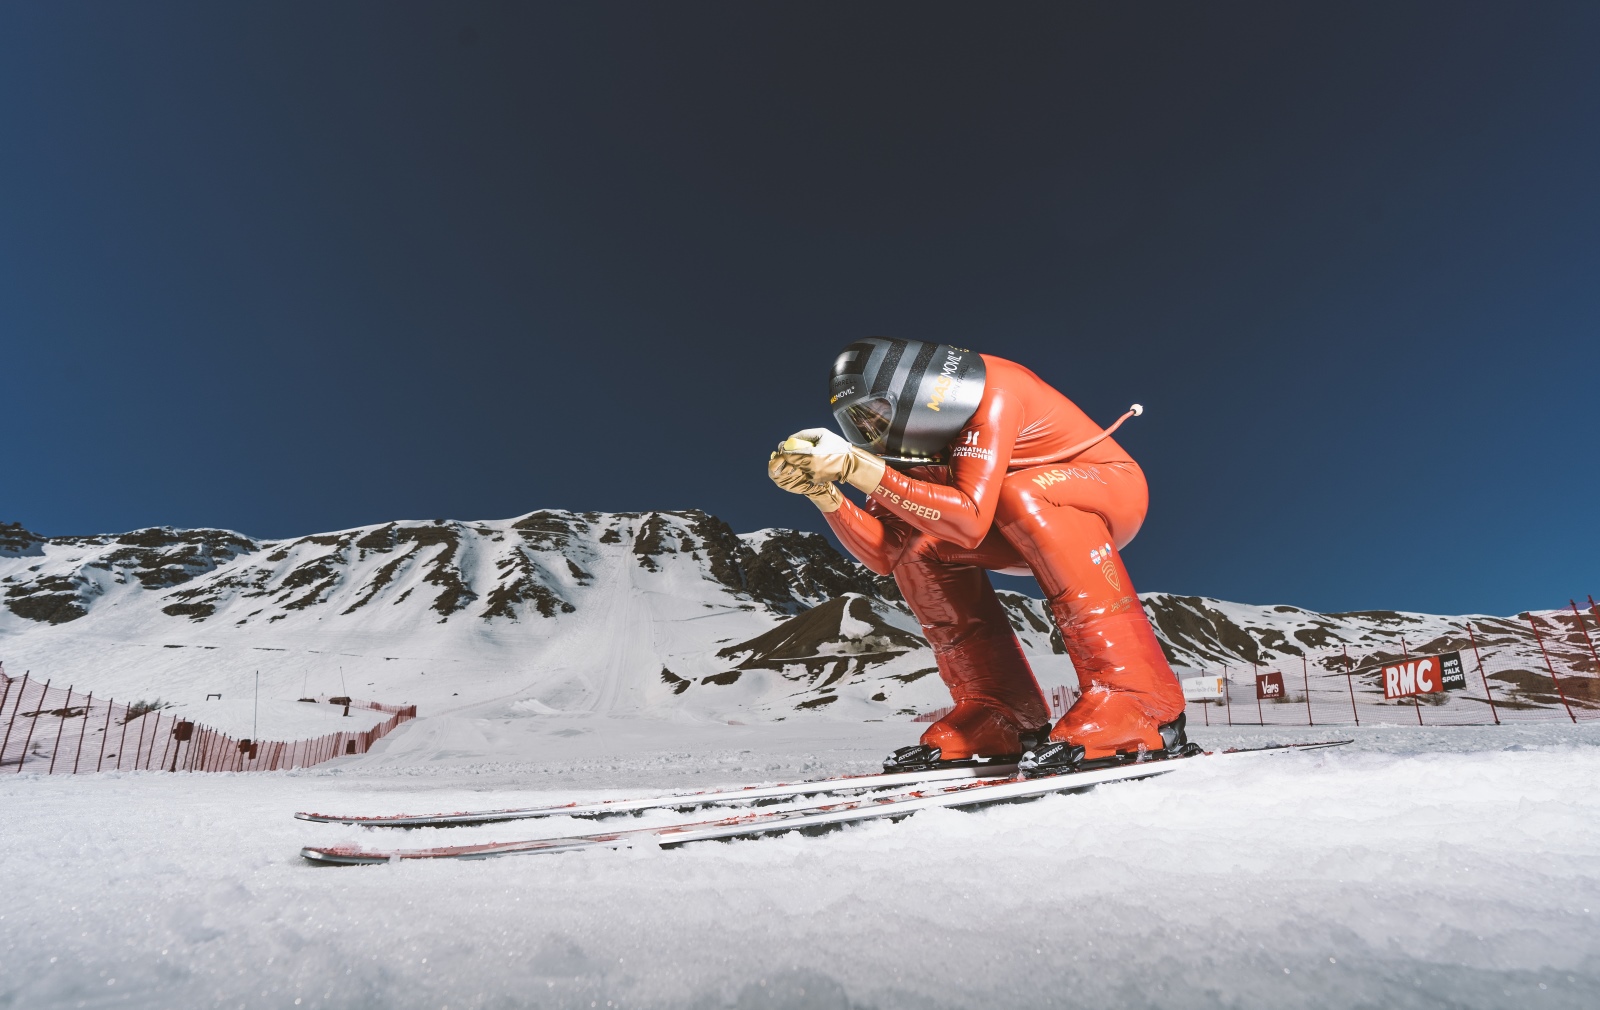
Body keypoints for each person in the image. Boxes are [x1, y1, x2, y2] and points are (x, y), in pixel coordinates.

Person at [768, 337, 1186, 771]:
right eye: (857, 422)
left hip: (1102, 490)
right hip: (1014, 518)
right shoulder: (901, 442)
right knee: (919, 549)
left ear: (916, 392)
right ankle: (1000, 711)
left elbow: (967, 522)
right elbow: (886, 553)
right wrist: (825, 495)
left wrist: (860, 469)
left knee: (1016, 492)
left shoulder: (995, 392)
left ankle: (1138, 698)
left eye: (875, 413)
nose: (869, 430)